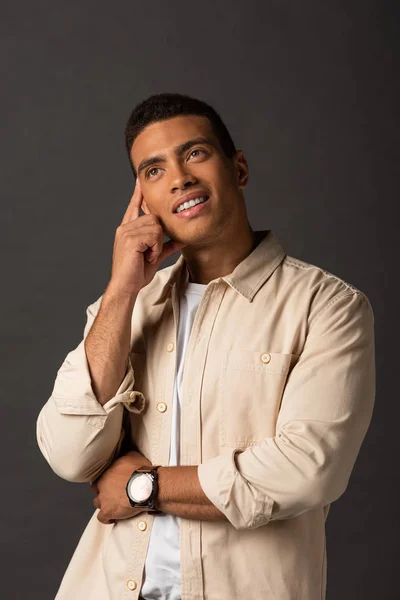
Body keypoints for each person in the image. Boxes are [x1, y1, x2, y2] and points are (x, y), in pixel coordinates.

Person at [36, 92, 376, 600]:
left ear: (237, 168)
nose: (179, 178)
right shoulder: (123, 309)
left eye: (195, 153)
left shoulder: (326, 306)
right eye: (153, 170)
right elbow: (69, 454)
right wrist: (122, 289)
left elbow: (308, 471)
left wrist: (143, 487)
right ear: (142, 201)